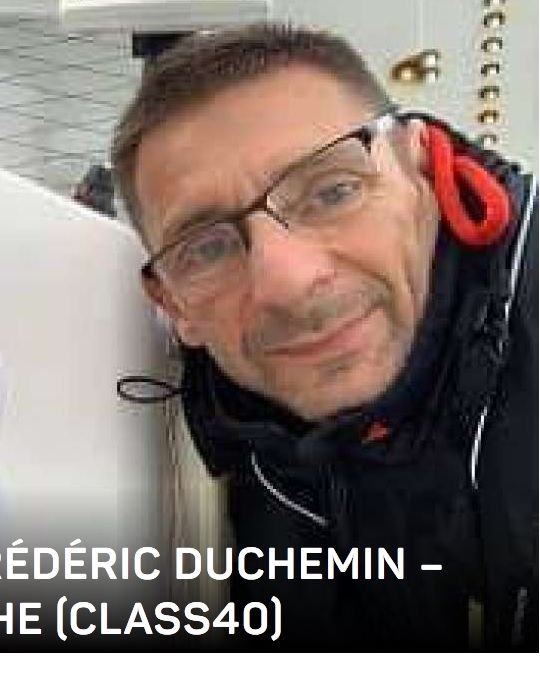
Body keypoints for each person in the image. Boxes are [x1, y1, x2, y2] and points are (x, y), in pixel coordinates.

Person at [111, 24, 536, 649]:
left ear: (419, 167)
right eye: (207, 248)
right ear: (174, 305)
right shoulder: (233, 446)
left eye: (333, 191)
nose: (287, 282)